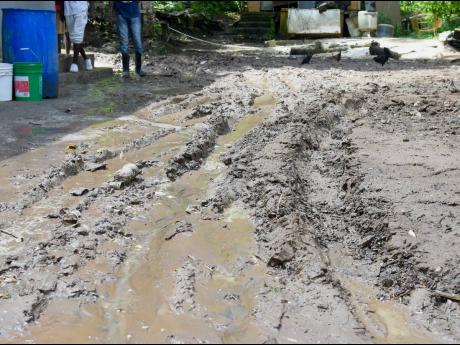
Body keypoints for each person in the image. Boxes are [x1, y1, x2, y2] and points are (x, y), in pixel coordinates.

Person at [113, 1, 146, 77]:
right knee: (124, 42)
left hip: (134, 14)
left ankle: (138, 69)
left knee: (138, 41)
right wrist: (111, 12)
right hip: (121, 14)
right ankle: (125, 70)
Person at [64, 1, 93, 73]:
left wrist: (92, 9)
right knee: (73, 37)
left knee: (77, 36)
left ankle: (74, 63)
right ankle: (86, 59)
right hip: (68, 9)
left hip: (81, 9)